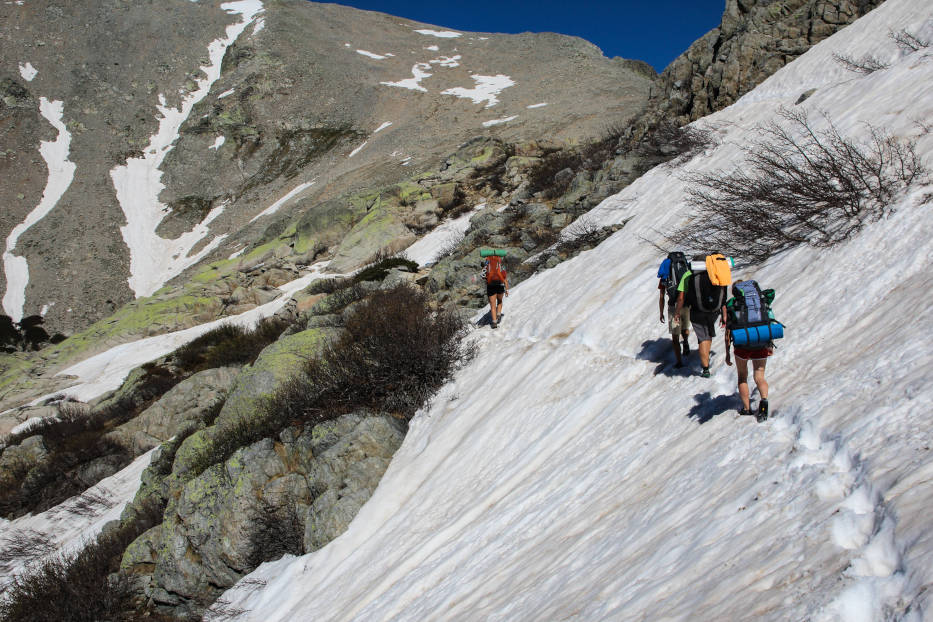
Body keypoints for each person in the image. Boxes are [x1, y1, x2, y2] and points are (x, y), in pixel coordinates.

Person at [725, 281, 775, 420]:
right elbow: (769, 321)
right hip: (761, 341)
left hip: (742, 345)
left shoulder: (732, 304)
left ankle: (747, 409)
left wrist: (727, 353)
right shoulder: (759, 302)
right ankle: (764, 401)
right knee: (759, 376)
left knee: (742, 375)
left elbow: (728, 332)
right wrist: (770, 345)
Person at [673, 255, 728, 378]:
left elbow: (681, 297)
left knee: (702, 338)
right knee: (707, 336)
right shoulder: (716, 272)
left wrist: (677, 312)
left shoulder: (688, 275)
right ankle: (706, 362)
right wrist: (724, 314)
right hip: (714, 311)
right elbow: (723, 295)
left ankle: (705, 369)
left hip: (697, 312)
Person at [657, 257, 690, 367]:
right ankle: (685, 341)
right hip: (685, 304)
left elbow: (661, 296)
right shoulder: (684, 271)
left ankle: (679, 362)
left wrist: (661, 312)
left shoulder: (664, 276)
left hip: (673, 307)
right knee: (685, 327)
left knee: (675, 335)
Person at [481, 253, 509, 329]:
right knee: (499, 301)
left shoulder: (487, 264)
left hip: (491, 286)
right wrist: (506, 290)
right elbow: (505, 279)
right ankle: (499, 314)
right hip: (500, 286)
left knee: (492, 305)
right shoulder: (500, 265)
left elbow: (482, 275)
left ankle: (494, 322)